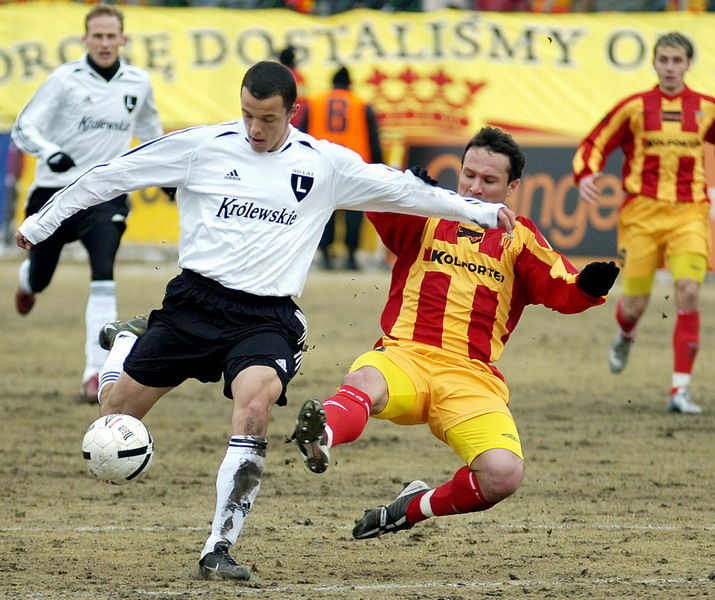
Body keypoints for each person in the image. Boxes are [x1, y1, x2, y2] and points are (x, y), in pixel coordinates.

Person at [15, 61, 516, 581]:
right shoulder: (202, 146)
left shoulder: (324, 163)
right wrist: (41, 222)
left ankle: (219, 546)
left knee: (255, 404)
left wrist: (477, 211)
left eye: (268, 118)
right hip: (193, 304)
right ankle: (123, 346)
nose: (255, 129)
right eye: (248, 115)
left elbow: (402, 190)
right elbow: (110, 174)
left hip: (265, 317)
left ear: (292, 112)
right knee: (113, 414)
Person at [292, 126, 619, 539]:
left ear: (513, 185)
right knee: (361, 380)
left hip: (470, 376)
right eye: (468, 175)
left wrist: (588, 286)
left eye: (489, 180)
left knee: (502, 475)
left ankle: (413, 507)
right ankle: (320, 436)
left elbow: (561, 286)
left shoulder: (520, 237)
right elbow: (374, 198)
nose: (475, 187)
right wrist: (405, 186)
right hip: (404, 357)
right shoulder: (426, 212)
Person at [10, 4, 166, 403]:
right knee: (41, 276)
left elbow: (151, 134)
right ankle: (28, 282)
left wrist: (167, 175)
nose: (104, 43)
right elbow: (25, 127)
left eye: (111, 36)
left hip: (105, 194)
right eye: (97, 36)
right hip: (54, 193)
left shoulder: (138, 82)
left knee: (103, 272)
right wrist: (50, 152)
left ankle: (95, 373)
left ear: (123, 40)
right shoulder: (64, 79)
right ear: (85, 39)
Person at [573, 32, 715, 415]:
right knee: (634, 304)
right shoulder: (634, 107)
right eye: (663, 60)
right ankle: (626, 333)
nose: (670, 67)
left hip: (689, 214)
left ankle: (679, 390)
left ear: (688, 64)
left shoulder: (706, 107)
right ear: (654, 63)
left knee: (688, 291)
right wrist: (586, 174)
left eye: (677, 60)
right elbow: (595, 142)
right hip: (641, 217)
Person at [298, 66, 383, 271]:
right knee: (353, 212)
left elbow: (301, 135)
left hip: (322, 163)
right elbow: (373, 140)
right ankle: (351, 256)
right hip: (355, 165)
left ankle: (325, 254)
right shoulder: (361, 104)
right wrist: (377, 167)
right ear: (350, 84)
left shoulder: (315, 102)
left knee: (325, 210)